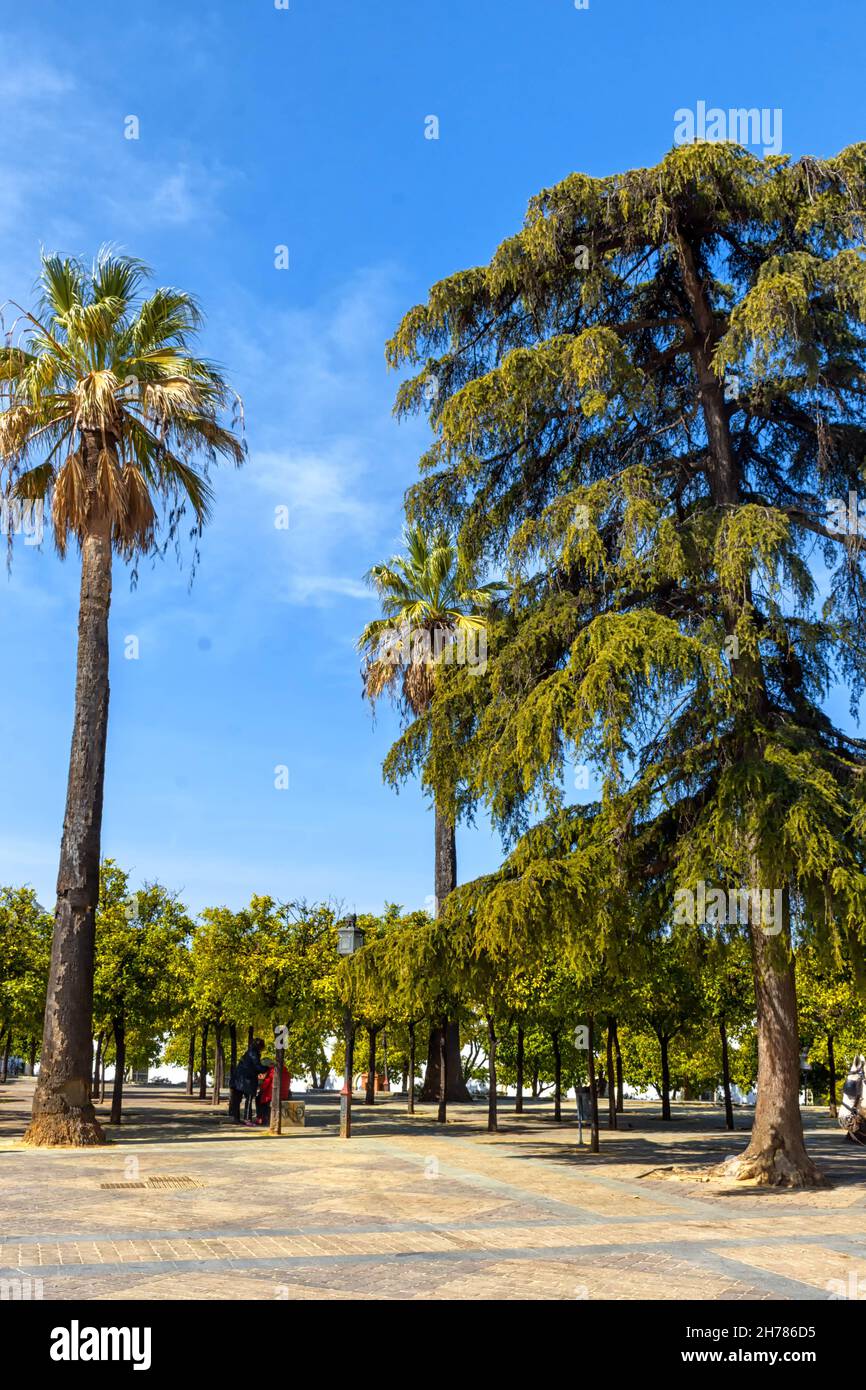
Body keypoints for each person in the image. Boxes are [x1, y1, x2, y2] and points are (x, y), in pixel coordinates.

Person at [234, 1038, 269, 1126]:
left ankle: (236, 1118)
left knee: (238, 1099)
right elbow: (257, 1066)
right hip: (247, 1079)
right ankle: (247, 1119)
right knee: (249, 1099)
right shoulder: (254, 1053)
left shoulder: (250, 1052)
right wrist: (266, 1069)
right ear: (259, 1046)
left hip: (241, 1078)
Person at [256, 1060, 292, 1127]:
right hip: (284, 1095)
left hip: (273, 1095)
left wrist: (260, 1086)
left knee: (258, 1098)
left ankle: (261, 1119)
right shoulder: (287, 1072)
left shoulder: (273, 1071)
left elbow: (265, 1085)